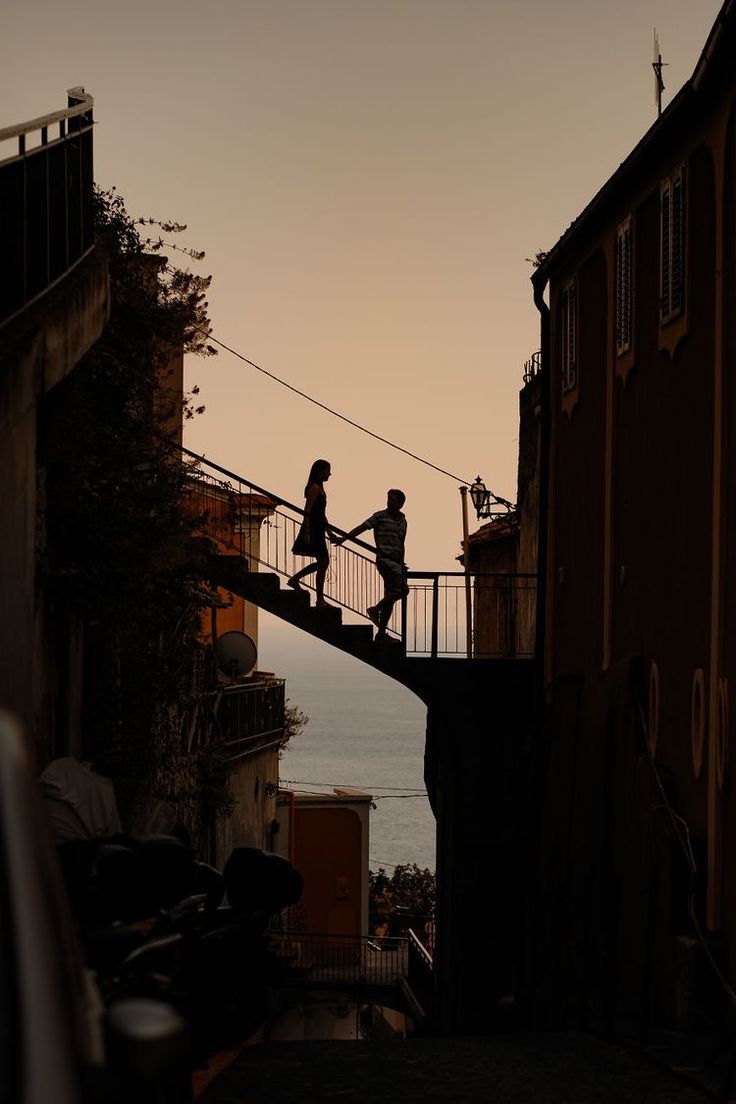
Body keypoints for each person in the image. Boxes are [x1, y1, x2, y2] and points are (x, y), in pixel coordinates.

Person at [338, 489, 408, 638]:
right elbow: (361, 527)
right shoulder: (380, 516)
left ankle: (381, 632)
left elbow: (401, 543)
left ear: (401, 503)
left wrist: (402, 562)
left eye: (393, 500)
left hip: (397, 563)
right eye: (389, 499)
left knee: (390, 596)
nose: (389, 502)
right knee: (403, 590)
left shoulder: (403, 521)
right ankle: (375, 610)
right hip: (385, 560)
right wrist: (344, 538)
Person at [287, 459, 335, 607]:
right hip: (313, 528)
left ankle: (296, 580)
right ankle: (319, 599)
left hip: (318, 528)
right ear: (320, 472)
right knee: (323, 562)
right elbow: (307, 510)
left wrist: (330, 532)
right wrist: (307, 531)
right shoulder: (314, 488)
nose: (330, 474)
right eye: (327, 470)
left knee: (323, 562)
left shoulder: (320, 489)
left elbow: (322, 514)